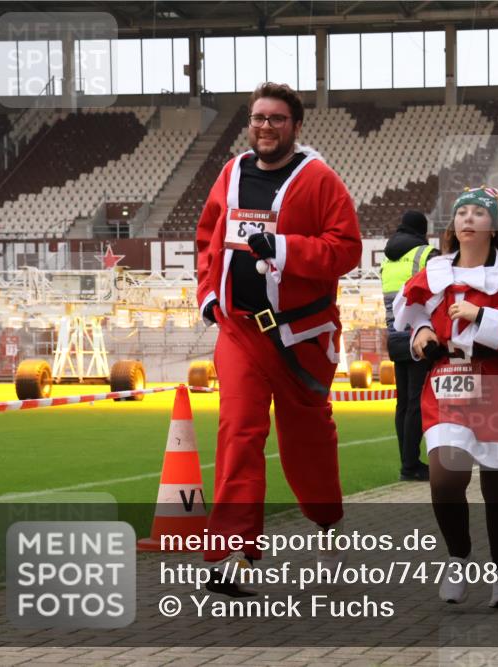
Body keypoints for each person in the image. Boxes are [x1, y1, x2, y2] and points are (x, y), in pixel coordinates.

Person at [195, 82, 362, 596]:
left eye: (276, 119)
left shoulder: (320, 181)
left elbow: (346, 249)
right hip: (239, 330)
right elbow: (207, 237)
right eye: (258, 117)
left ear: (296, 125)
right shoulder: (230, 173)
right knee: (238, 433)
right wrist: (208, 296)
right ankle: (233, 553)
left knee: (305, 441)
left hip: (301, 339)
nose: (265, 126)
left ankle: (326, 516)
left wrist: (284, 249)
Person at [393, 186, 498, 608]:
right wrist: (422, 333)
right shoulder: (437, 270)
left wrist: (483, 317)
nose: (467, 219)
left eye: (478, 213)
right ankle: (458, 557)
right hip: (448, 378)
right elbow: (412, 312)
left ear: (493, 224)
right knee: (446, 479)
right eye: (461, 212)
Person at [381, 210, 437, 482]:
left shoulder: (387, 259)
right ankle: (411, 465)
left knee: (403, 403)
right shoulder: (426, 254)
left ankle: (407, 462)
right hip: (418, 335)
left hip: (394, 335)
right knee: (416, 402)